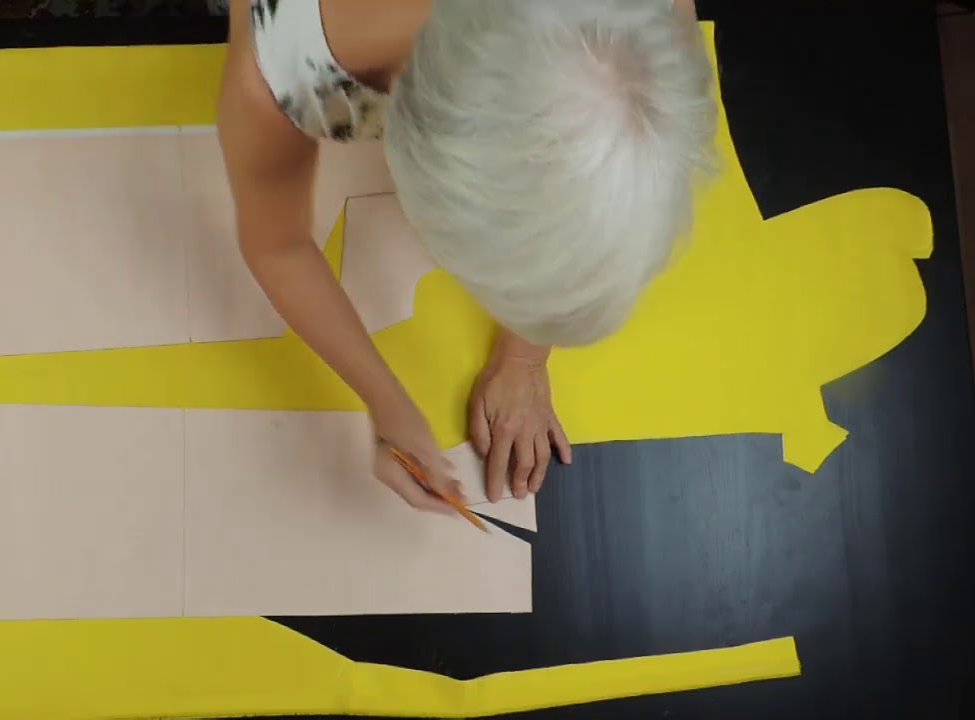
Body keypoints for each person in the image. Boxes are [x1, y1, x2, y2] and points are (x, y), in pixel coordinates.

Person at [217, 0, 716, 513]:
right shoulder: (282, 61)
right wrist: (386, 403)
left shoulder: (650, 27)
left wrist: (525, 357)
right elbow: (277, 245)